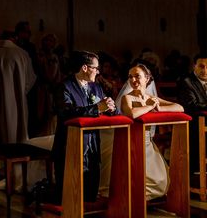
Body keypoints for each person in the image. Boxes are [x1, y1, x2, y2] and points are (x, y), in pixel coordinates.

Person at [52, 51, 116, 204]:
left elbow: (104, 107)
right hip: (70, 146)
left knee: (90, 195)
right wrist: (96, 109)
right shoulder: (64, 86)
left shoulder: (96, 87)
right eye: (96, 68)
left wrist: (112, 108)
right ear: (85, 68)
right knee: (70, 196)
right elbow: (66, 112)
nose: (98, 71)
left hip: (92, 146)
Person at [121, 63, 183, 200]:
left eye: (137, 76)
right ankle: (135, 202)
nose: (133, 80)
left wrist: (161, 109)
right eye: (130, 77)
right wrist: (149, 107)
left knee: (161, 180)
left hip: (148, 141)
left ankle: (142, 200)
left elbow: (179, 107)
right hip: (132, 142)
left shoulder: (151, 98)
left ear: (147, 78)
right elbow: (131, 114)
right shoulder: (127, 98)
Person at [0, 30, 36, 144]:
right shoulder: (21, 54)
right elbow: (30, 79)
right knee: (13, 131)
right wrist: (18, 90)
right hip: (15, 100)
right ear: (14, 39)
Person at [177, 54, 207, 173]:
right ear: (194, 66)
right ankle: (198, 170)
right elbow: (192, 105)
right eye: (201, 66)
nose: (205, 70)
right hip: (194, 123)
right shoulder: (186, 82)